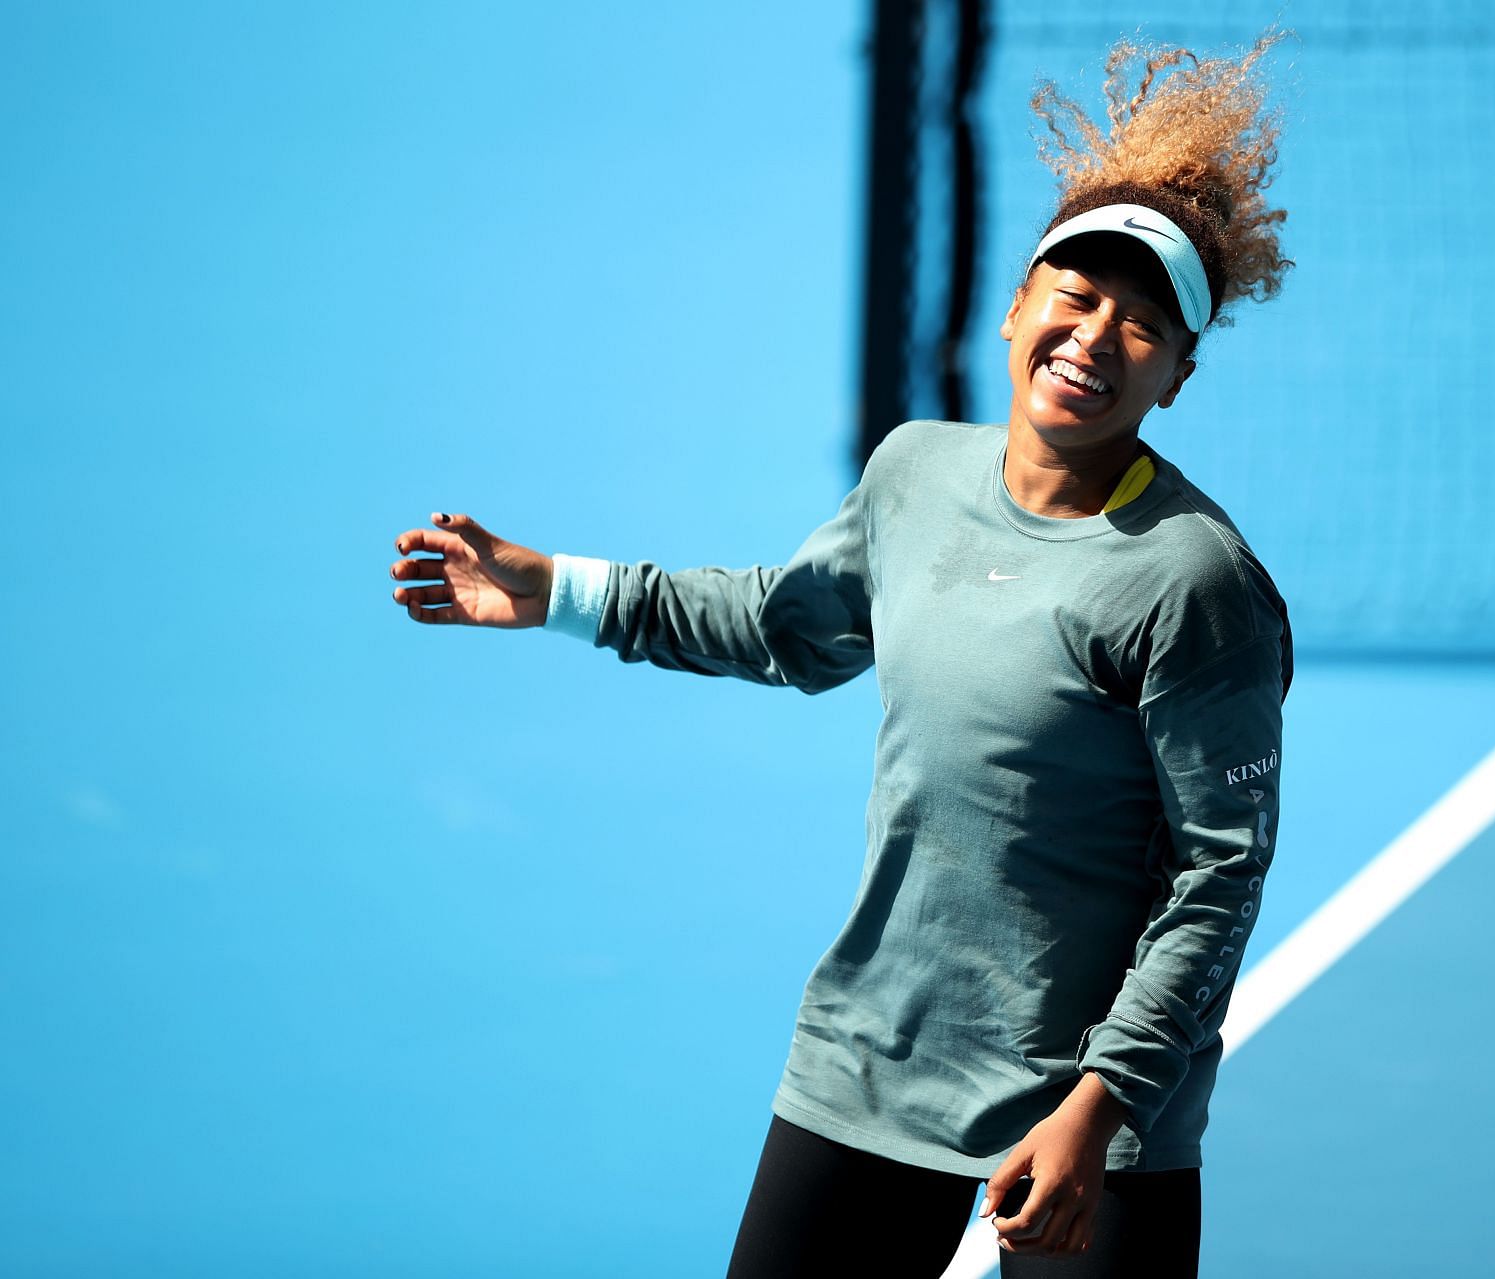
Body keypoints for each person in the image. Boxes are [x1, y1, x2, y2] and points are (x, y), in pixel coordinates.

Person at [389, 34, 1293, 1278]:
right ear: (1019, 305)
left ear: (1178, 377)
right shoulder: (915, 472)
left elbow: (1216, 880)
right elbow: (785, 625)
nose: (1096, 336)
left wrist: (1102, 1103)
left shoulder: (1194, 583)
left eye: (1143, 326)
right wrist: (564, 592)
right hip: (871, 1061)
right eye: (1076, 298)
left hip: (1087, 1115)